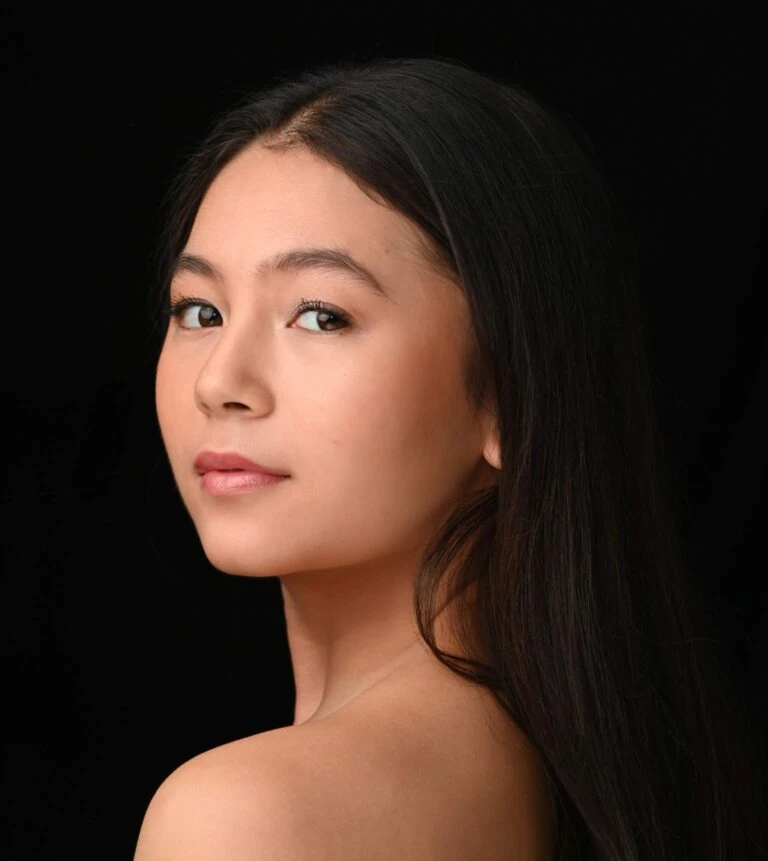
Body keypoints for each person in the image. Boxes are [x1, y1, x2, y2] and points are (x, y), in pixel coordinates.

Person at [133, 56, 766, 860]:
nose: (221, 382)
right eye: (200, 310)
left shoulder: (242, 817)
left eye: (321, 315)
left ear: (508, 393)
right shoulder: (592, 772)